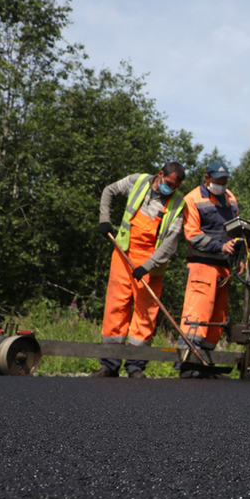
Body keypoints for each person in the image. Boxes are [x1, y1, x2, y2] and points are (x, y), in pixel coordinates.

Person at [96, 162, 187, 378]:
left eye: (176, 186)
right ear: (160, 174)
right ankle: (109, 364)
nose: (171, 189)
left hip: (150, 266)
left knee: (145, 315)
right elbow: (109, 190)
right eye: (169, 184)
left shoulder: (178, 204)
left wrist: (146, 266)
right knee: (115, 310)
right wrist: (104, 219)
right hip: (123, 254)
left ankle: (135, 367)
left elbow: (170, 244)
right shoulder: (137, 181)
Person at [179, 160, 241, 378]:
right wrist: (220, 246)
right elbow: (193, 235)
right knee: (197, 315)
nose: (221, 185)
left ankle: (205, 364)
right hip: (202, 265)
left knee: (218, 317)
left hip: (224, 267)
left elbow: (236, 231)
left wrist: (240, 257)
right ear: (207, 178)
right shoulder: (192, 199)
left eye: (224, 181)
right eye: (217, 181)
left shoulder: (230, 198)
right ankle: (187, 366)